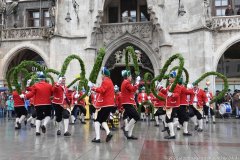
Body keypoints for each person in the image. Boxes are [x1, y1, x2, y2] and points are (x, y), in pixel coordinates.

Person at [88, 67, 115, 143]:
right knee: (103, 120)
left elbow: (101, 90)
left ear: (104, 74)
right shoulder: (110, 81)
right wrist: (94, 86)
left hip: (104, 104)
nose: (101, 76)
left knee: (97, 120)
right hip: (109, 105)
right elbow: (103, 89)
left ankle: (97, 138)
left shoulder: (105, 81)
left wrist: (92, 87)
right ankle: (108, 133)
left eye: (102, 74)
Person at [161, 71, 181, 139]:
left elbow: (178, 94)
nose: (169, 79)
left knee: (168, 120)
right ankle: (172, 133)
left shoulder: (177, 85)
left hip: (173, 105)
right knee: (168, 120)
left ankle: (172, 134)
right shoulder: (170, 85)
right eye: (169, 78)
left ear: (174, 78)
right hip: (169, 105)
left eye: (170, 78)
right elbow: (166, 92)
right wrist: (160, 88)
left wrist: (172, 94)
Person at [121, 70, 140, 140]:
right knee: (137, 117)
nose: (131, 77)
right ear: (128, 76)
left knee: (133, 119)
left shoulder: (126, 82)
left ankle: (129, 135)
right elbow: (133, 89)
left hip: (128, 102)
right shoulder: (126, 82)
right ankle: (126, 129)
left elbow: (131, 91)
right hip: (127, 103)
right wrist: (137, 82)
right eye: (130, 76)